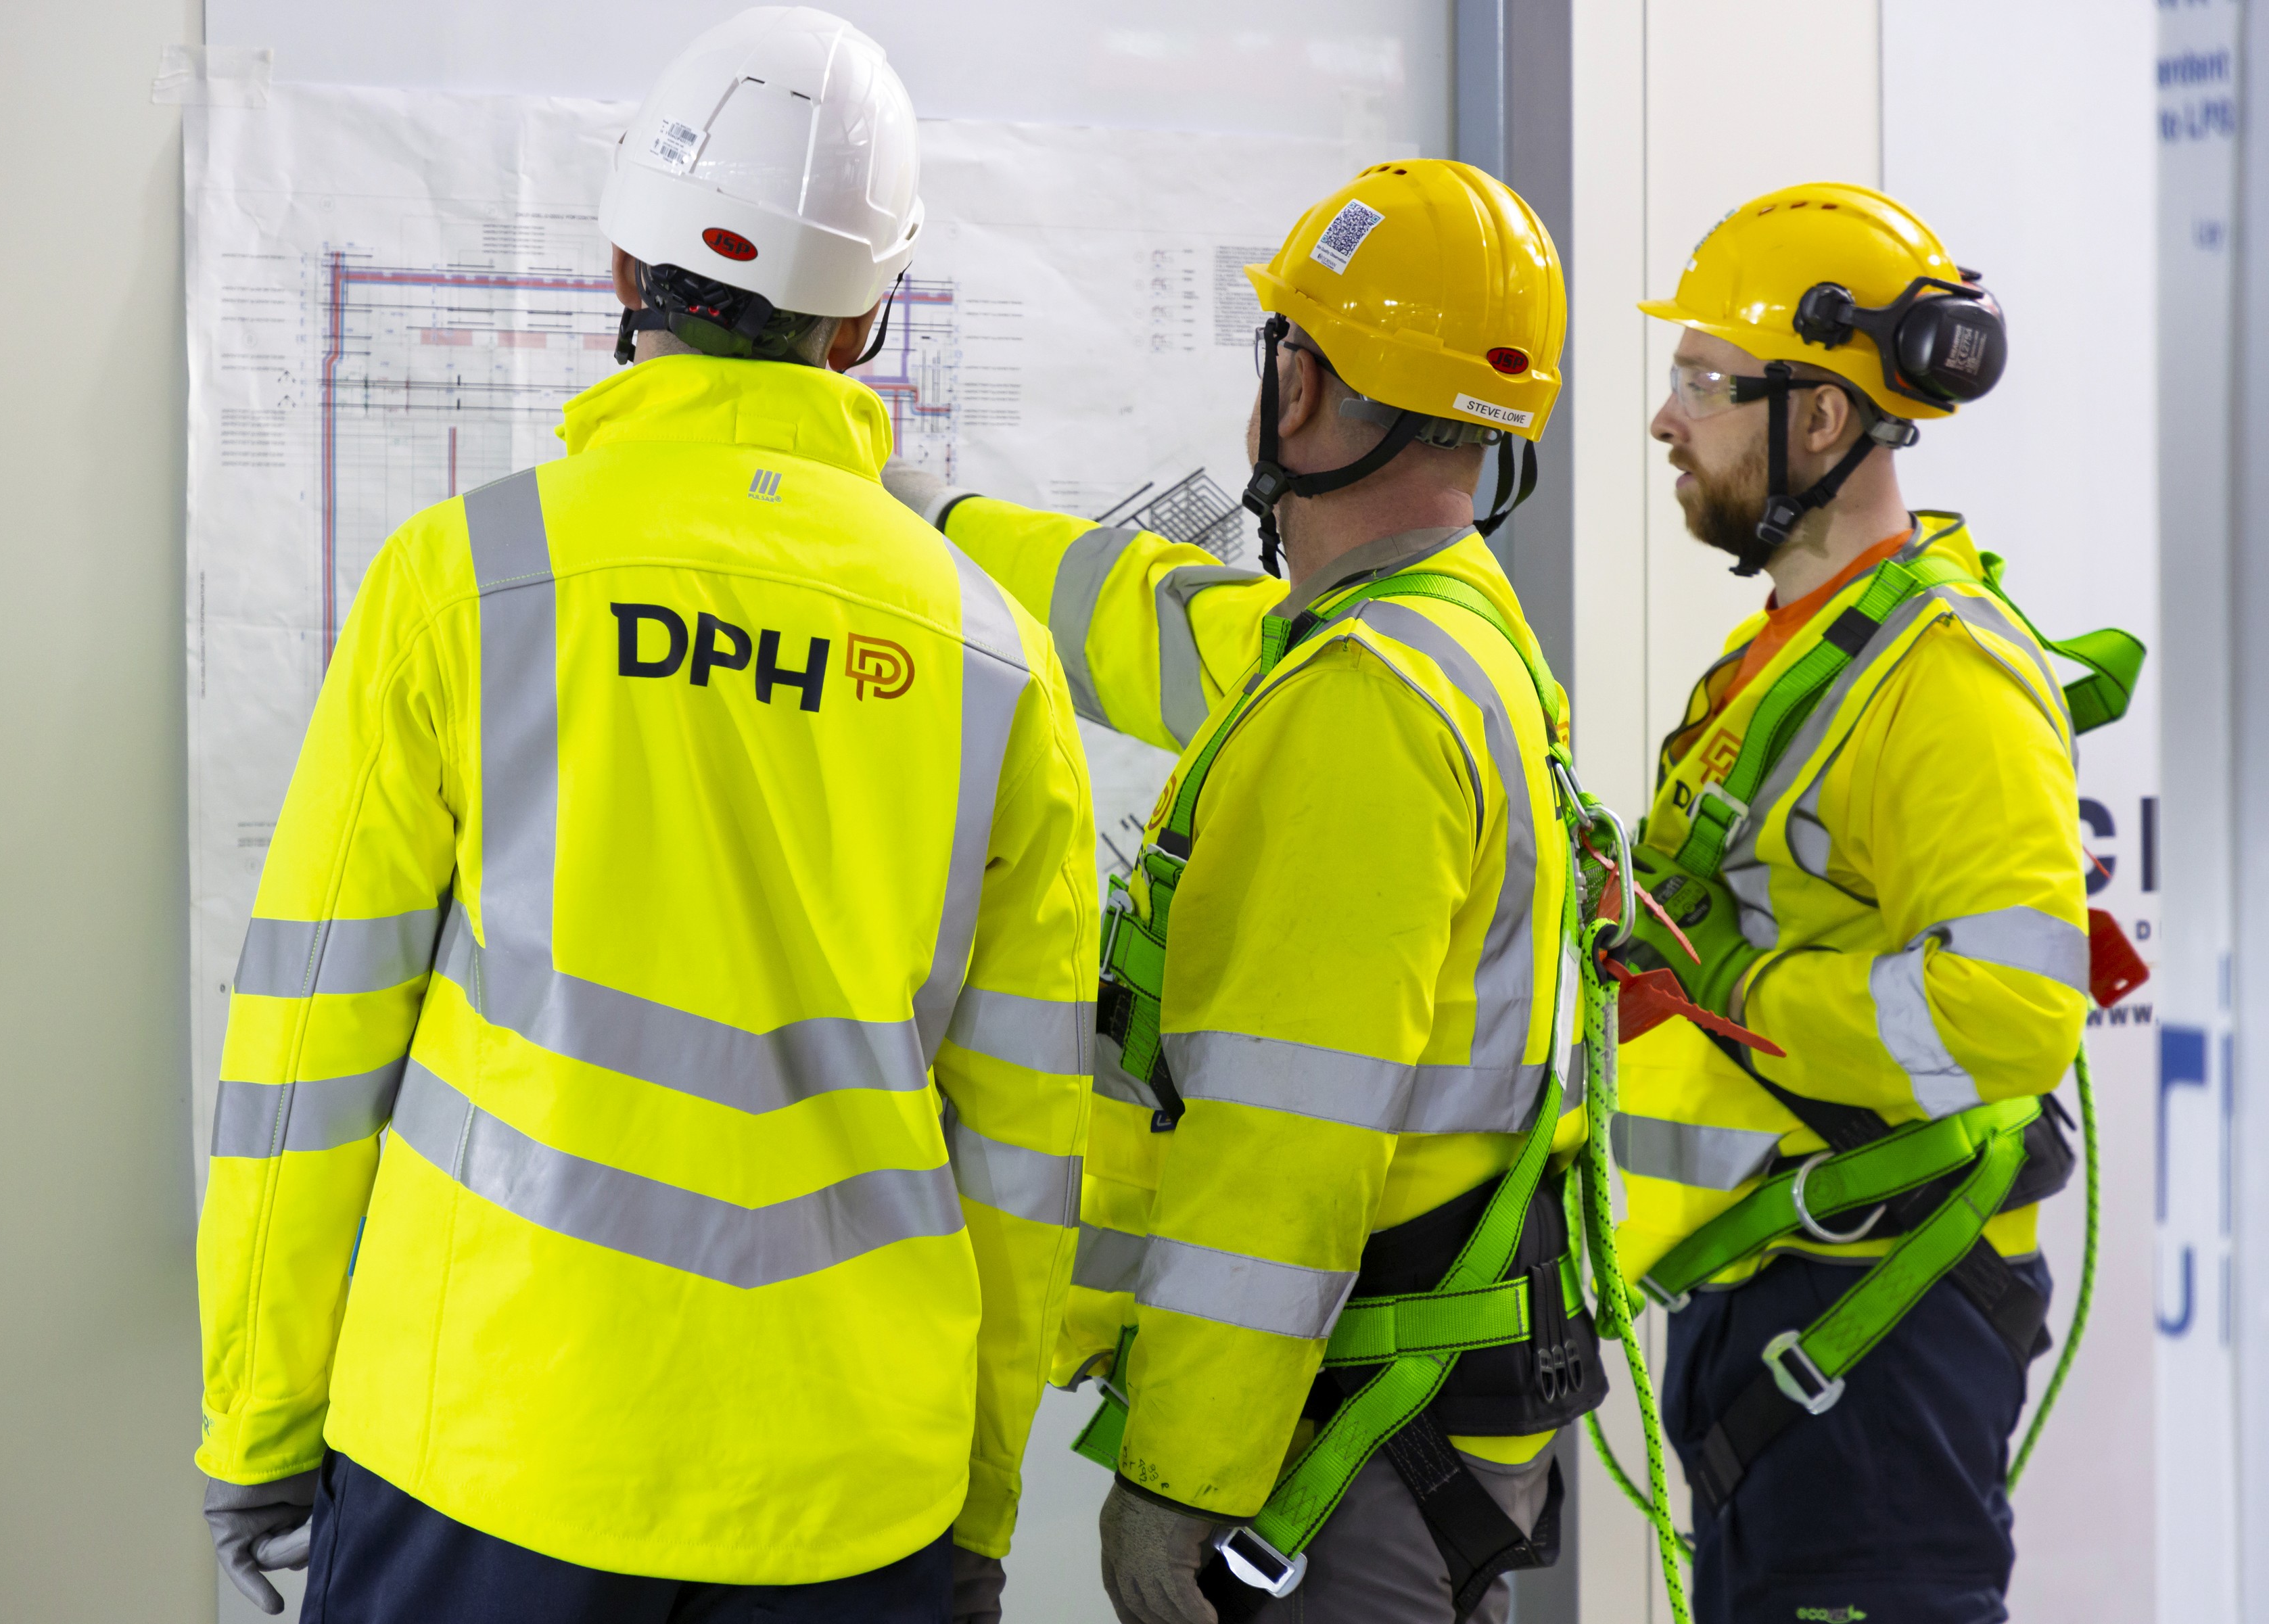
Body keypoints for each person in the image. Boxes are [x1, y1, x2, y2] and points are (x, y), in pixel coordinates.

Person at [194, 11, 1094, 1623]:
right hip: (848, 1494)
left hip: (490, 1447)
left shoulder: (465, 580)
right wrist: (978, 1494)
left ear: (625, 264)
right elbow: (1025, 1140)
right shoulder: (992, 660)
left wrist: (260, 1415)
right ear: (866, 318)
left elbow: (309, 1046)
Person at [887, 161, 1605, 1624]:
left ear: (1300, 384)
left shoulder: (1365, 709)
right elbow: (1156, 614)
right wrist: (930, 528)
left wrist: (1183, 1477)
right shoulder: (1428, 636)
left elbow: (1282, 1154)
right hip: (1403, 1414)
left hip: (1339, 1458)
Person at [1611, 183, 2097, 1623]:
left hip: (1884, 1328)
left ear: (1821, 421)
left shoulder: (1947, 678)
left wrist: (1737, 994)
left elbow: (2010, 1013)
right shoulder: (1796, 650)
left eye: (1706, 384)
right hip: (1788, 1297)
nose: (1667, 419)